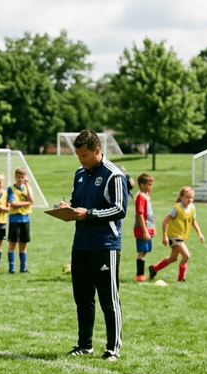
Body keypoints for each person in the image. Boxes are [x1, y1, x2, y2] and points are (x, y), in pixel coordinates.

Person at [57, 129, 129, 361]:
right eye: (78, 156)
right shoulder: (79, 173)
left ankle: (112, 348)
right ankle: (84, 344)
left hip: (105, 246)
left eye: (85, 156)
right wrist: (66, 208)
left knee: (109, 300)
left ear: (97, 151)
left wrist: (89, 213)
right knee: (83, 299)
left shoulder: (114, 175)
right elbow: (76, 203)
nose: (81, 161)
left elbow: (120, 209)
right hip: (81, 245)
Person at [148, 187, 205, 283]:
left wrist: (200, 233)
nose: (190, 200)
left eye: (192, 197)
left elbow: (193, 222)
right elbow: (165, 221)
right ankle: (181, 279)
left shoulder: (192, 208)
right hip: (174, 236)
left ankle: (154, 268)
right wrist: (164, 236)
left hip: (182, 237)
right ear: (181, 197)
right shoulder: (177, 208)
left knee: (173, 258)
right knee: (186, 256)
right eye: (187, 197)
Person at [6, 167, 34, 273]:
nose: (20, 179)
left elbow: (32, 199)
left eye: (22, 177)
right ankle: (12, 268)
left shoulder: (27, 187)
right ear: (15, 177)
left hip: (25, 219)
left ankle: (23, 268)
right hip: (15, 219)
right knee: (12, 244)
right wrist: (27, 203)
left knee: (23, 244)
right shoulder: (11, 189)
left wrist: (27, 184)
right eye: (18, 177)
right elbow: (14, 204)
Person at [132, 173, 155, 282]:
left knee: (145, 251)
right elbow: (140, 214)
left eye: (151, 184)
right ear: (141, 185)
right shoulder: (141, 196)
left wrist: (152, 228)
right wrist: (145, 231)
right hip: (142, 229)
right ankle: (139, 275)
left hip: (148, 229)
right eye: (149, 185)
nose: (151, 187)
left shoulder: (147, 196)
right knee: (142, 251)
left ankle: (141, 274)